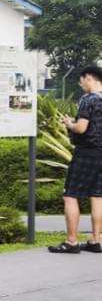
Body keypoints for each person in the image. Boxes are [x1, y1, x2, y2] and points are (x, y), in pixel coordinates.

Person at [49, 66, 102, 254]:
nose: (81, 86)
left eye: (81, 81)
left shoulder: (88, 100)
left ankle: (71, 241)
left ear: (88, 78)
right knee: (97, 196)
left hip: (86, 151)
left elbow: (81, 128)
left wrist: (69, 123)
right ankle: (96, 240)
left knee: (70, 195)